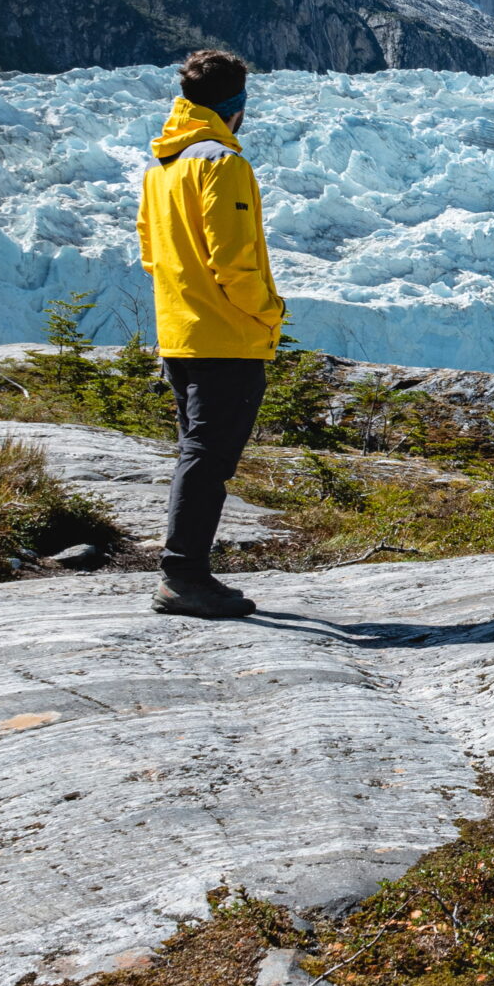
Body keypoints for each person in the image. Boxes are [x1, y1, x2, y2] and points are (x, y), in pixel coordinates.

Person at [137, 48, 284, 617]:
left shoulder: (161, 167)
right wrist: (268, 313)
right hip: (226, 338)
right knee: (207, 460)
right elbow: (235, 262)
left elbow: (152, 255)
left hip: (179, 336)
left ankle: (185, 571)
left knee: (195, 454)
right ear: (235, 106)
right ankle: (183, 576)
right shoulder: (223, 164)